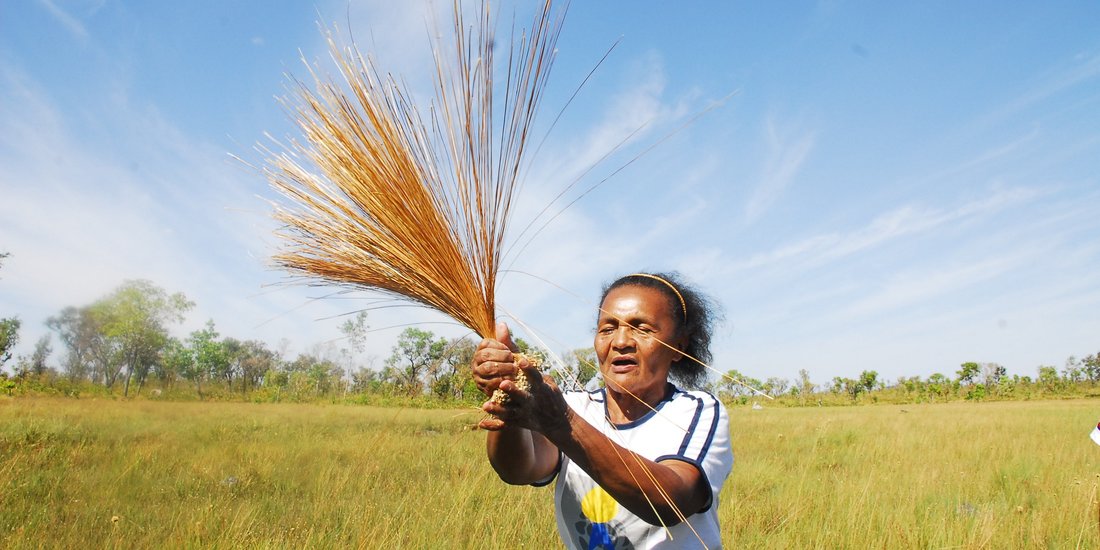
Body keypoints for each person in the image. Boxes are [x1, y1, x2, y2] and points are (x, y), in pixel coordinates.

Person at [473, 272, 733, 549]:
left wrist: (562, 424)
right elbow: (519, 470)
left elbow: (671, 503)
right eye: (607, 329)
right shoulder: (577, 407)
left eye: (641, 328)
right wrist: (509, 390)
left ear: (678, 346)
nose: (620, 342)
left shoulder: (694, 411)